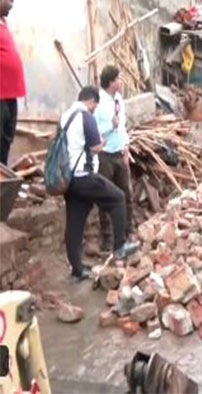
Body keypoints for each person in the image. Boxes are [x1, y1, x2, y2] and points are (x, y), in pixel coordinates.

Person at [61, 86, 139, 280]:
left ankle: (77, 269)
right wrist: (103, 140)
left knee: (74, 223)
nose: (95, 109)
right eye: (95, 105)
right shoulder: (85, 116)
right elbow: (95, 147)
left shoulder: (66, 116)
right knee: (118, 198)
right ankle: (119, 246)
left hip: (68, 178)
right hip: (84, 176)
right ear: (91, 101)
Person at [94, 65, 134, 251]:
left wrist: (126, 146)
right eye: (118, 78)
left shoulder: (119, 99)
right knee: (105, 197)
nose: (121, 81)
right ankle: (107, 238)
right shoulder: (98, 103)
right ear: (111, 82)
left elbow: (123, 125)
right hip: (105, 156)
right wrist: (110, 126)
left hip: (119, 153)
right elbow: (94, 132)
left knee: (126, 194)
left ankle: (128, 232)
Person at [0, 0, 26, 165]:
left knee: (7, 138)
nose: (12, 5)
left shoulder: (3, 22)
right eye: (10, 0)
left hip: (11, 95)